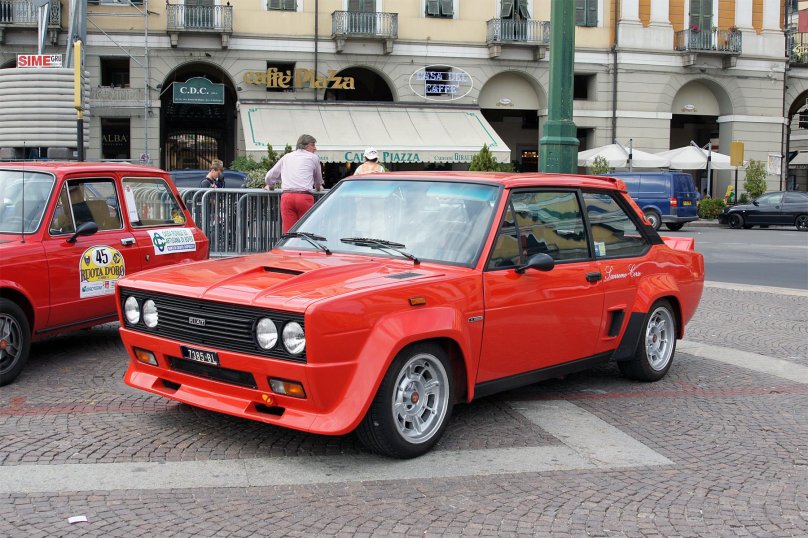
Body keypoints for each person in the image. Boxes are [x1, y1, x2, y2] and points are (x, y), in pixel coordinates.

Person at [265, 134, 323, 233]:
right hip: (304, 196)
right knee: (306, 231)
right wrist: (318, 187)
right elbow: (318, 179)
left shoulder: (286, 157)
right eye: (313, 145)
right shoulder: (313, 158)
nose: (315, 148)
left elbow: (269, 176)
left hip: (287, 197)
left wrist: (270, 185)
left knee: (289, 233)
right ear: (305, 145)